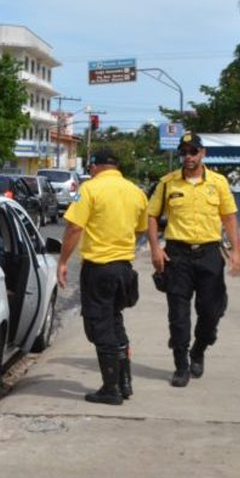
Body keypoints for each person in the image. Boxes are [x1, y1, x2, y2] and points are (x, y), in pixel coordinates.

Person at [147, 133, 240, 388]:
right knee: (178, 314)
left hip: (209, 254)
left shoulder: (218, 183)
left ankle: (199, 349)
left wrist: (236, 251)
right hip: (177, 255)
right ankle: (181, 365)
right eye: (184, 152)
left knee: (211, 311)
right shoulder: (167, 183)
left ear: (203, 153)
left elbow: (229, 217)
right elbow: (152, 216)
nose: (188, 156)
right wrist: (155, 249)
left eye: (193, 151)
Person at [56, 148, 148, 406]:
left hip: (99, 269)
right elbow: (140, 229)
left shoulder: (88, 189)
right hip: (124, 269)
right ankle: (124, 383)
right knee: (115, 322)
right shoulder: (136, 191)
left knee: (100, 327)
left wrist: (63, 261)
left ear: (94, 166)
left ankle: (111, 389)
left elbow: (74, 227)